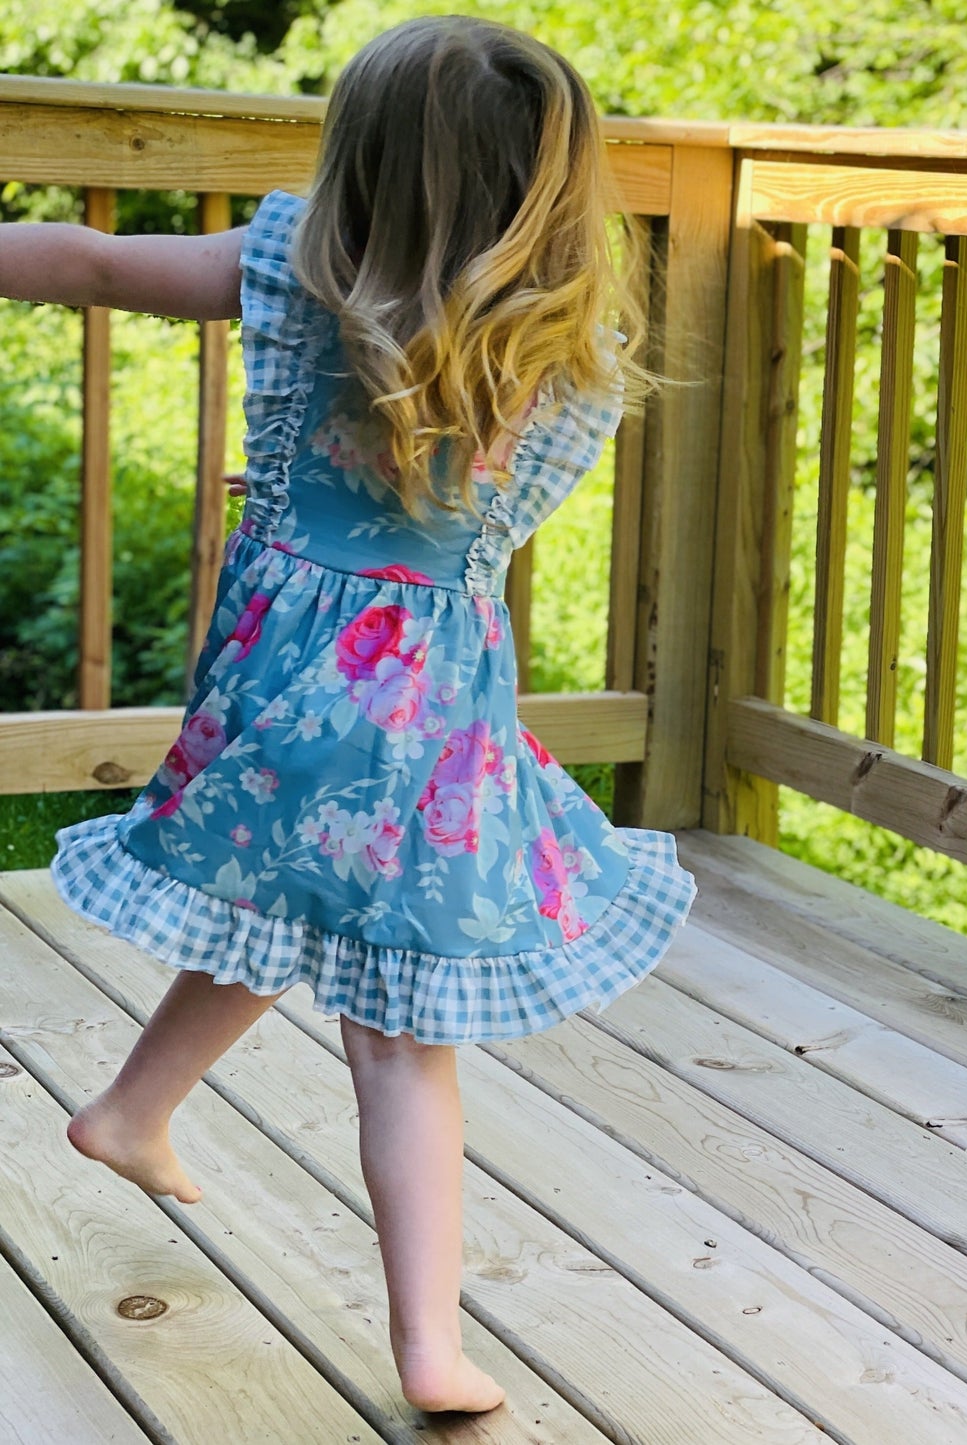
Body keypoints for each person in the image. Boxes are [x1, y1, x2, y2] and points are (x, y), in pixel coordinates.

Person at [0, 15, 697, 1417]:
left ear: (362, 162)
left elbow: (84, 262)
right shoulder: (571, 353)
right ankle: (428, 1345)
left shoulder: (280, 268)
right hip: (428, 717)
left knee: (286, 895)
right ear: (552, 187)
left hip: (272, 680)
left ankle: (130, 1112)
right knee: (397, 1033)